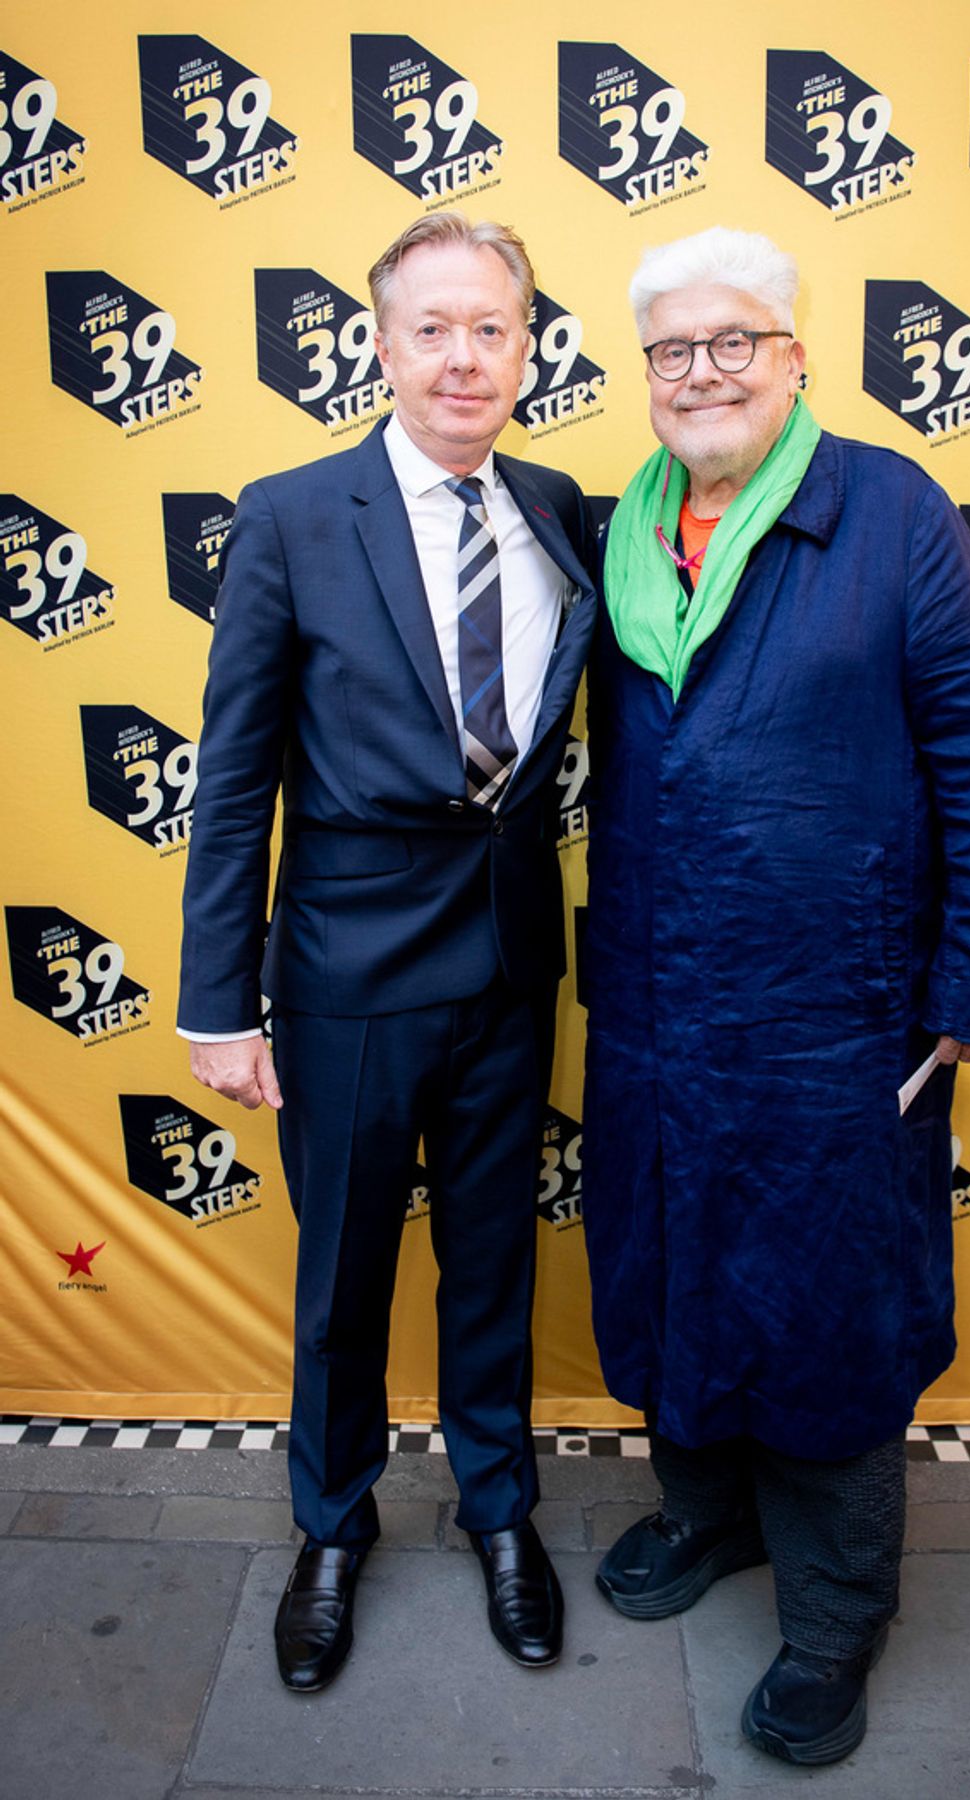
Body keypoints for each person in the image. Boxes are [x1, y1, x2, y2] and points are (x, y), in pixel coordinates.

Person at [582, 226, 970, 1767]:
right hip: (658, 1009)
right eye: (672, 351)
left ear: (794, 357)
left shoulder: (894, 513)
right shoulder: (625, 533)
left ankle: (840, 1616)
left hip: (835, 1020)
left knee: (829, 1318)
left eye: (734, 342)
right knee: (674, 1277)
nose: (701, 372)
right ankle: (712, 1520)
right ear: (644, 376)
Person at [178, 213, 596, 1691]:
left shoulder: (560, 507)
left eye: (494, 327)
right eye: (435, 327)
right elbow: (232, 779)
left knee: (492, 1265)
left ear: (528, 346)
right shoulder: (293, 513)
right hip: (346, 977)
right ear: (382, 341)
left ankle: (499, 1514)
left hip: (508, 964)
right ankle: (333, 1526)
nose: (465, 356)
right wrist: (218, 1006)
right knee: (344, 1277)